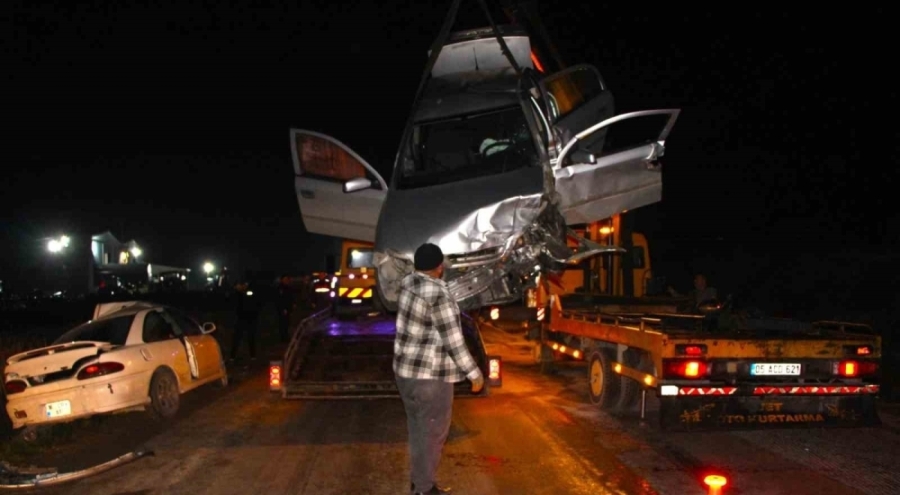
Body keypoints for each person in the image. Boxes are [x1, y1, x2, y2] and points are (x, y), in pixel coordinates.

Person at [394, 243, 484, 495]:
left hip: (405, 374)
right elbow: (453, 341)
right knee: (433, 433)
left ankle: (419, 480)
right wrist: (474, 373)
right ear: (439, 267)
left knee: (418, 429)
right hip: (430, 377)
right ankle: (423, 489)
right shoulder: (437, 295)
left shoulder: (408, 285)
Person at [229, 279, 261, 362]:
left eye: (240, 285)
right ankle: (232, 356)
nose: (239, 287)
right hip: (240, 319)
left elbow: (255, 303)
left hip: (250, 318)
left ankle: (252, 355)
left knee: (251, 337)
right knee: (237, 338)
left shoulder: (249, 293)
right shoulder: (235, 294)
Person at [276, 275, 296, 343]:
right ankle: (283, 337)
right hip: (282, 309)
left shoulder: (289, 287)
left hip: (288, 308)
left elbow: (291, 297)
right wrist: (283, 309)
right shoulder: (280, 288)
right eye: (285, 279)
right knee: (283, 324)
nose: (286, 281)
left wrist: (293, 304)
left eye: (287, 279)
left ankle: (286, 336)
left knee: (287, 323)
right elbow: (279, 300)